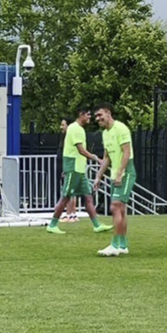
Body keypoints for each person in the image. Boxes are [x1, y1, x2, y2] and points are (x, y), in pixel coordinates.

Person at [49, 110, 111, 234]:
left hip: (79, 170)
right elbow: (81, 150)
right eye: (88, 114)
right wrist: (96, 159)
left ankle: (97, 225)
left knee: (88, 197)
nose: (90, 117)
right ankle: (52, 224)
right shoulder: (76, 129)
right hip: (73, 169)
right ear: (81, 114)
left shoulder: (77, 129)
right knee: (65, 197)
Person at [91, 104, 134, 256]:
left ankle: (115, 244)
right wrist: (98, 176)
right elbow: (107, 158)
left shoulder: (121, 129)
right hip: (115, 174)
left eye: (100, 115)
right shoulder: (105, 133)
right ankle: (122, 245)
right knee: (120, 209)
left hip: (126, 172)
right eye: (96, 116)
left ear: (108, 113)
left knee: (115, 206)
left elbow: (127, 152)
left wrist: (120, 173)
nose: (98, 119)